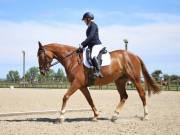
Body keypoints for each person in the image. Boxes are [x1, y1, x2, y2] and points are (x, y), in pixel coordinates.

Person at [77, 12, 103, 78]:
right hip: (91, 45)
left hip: (96, 45)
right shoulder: (89, 27)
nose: (84, 22)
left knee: (93, 55)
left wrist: (82, 44)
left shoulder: (93, 25)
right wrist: (82, 47)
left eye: (85, 20)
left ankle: (98, 71)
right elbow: (89, 40)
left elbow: (91, 37)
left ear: (88, 19)